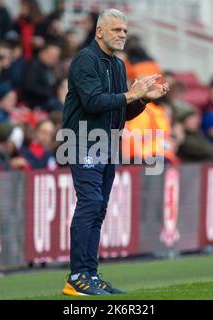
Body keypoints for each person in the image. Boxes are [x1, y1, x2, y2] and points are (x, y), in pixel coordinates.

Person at [61, 8, 169, 296]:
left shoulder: (119, 66)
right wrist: (131, 94)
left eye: (124, 30)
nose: (122, 35)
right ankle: (76, 277)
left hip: (107, 143)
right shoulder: (85, 60)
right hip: (82, 140)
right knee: (91, 202)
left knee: (98, 208)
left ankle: (90, 275)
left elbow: (120, 110)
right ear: (99, 32)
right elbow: (94, 102)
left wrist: (143, 100)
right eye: (116, 30)